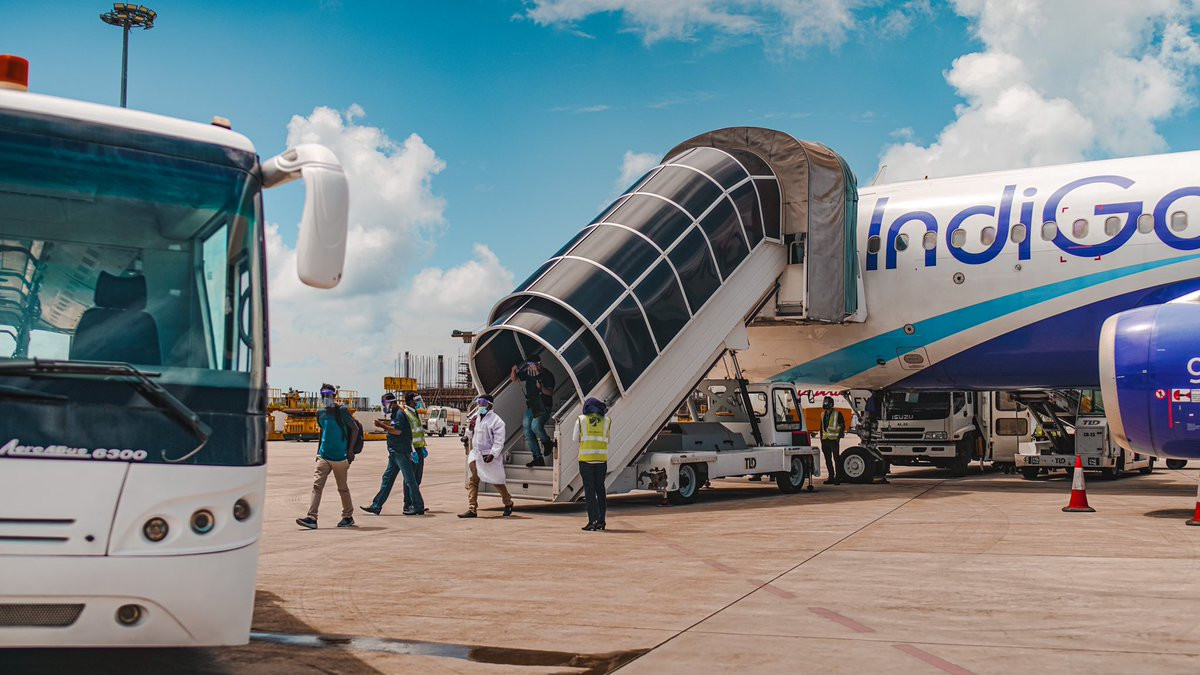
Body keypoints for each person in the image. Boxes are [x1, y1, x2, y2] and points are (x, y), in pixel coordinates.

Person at [297, 384, 357, 529]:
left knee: (342, 488)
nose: (326, 397)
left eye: (329, 394)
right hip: (324, 456)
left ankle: (348, 516)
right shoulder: (321, 413)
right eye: (323, 395)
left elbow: (354, 428)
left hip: (340, 457)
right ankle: (312, 517)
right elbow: (322, 431)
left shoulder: (342, 410)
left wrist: (350, 451)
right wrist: (318, 452)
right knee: (316, 486)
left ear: (334, 395)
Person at [361, 392, 427, 515]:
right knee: (387, 479)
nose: (384, 406)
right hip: (394, 453)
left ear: (391, 403)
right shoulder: (396, 414)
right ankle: (376, 505)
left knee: (410, 480)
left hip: (401, 452)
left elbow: (398, 431)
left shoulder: (400, 414)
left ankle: (418, 506)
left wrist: (382, 425)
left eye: (384, 403)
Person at [459, 395, 514, 518]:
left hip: (488, 455)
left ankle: (508, 502)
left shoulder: (497, 421)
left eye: (482, 402)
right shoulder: (476, 418)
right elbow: (470, 435)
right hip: (476, 454)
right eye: (478, 402)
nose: (480, 405)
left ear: (489, 404)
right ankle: (472, 509)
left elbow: (499, 441)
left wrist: (493, 454)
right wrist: (470, 427)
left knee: (496, 481)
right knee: (473, 480)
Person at [573, 397, 610, 531]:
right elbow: (608, 439)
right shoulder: (607, 420)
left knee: (589, 491)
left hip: (586, 460)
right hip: (601, 459)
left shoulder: (581, 419)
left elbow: (574, 438)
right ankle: (601, 521)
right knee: (601, 489)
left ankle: (592, 521)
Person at [511, 354, 555, 467]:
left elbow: (550, 392)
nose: (530, 367)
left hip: (543, 404)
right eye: (528, 365)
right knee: (527, 430)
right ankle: (537, 457)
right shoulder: (528, 373)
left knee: (535, 426)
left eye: (532, 364)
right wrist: (514, 370)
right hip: (532, 405)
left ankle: (547, 442)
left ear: (539, 364)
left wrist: (540, 387)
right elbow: (514, 379)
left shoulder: (547, 375)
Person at [820, 396, 846, 485]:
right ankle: (830, 476)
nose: (825, 404)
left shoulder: (837, 413)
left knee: (836, 459)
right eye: (824, 402)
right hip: (825, 440)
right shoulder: (822, 414)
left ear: (831, 404)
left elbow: (842, 425)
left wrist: (838, 437)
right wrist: (821, 439)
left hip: (834, 440)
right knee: (828, 459)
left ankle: (838, 477)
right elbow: (821, 427)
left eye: (826, 402)